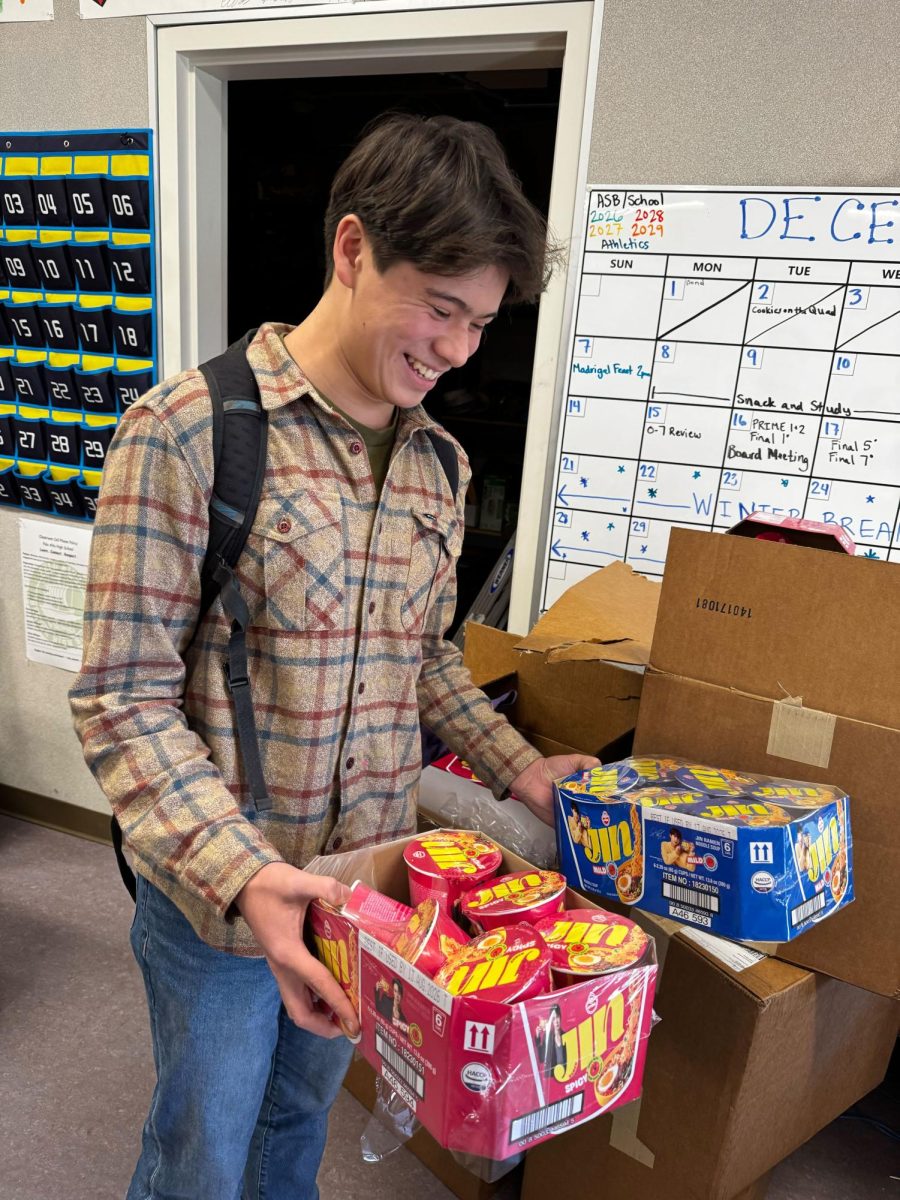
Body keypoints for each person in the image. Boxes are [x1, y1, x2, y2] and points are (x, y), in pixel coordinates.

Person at [69, 112, 598, 1200]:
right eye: (441, 308)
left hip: (362, 895)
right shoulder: (184, 433)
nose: (457, 350)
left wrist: (518, 768)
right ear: (352, 251)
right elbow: (121, 701)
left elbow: (424, 659)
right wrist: (246, 875)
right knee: (201, 1154)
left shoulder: (440, 467)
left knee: (298, 1122)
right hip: (217, 901)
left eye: (483, 323)